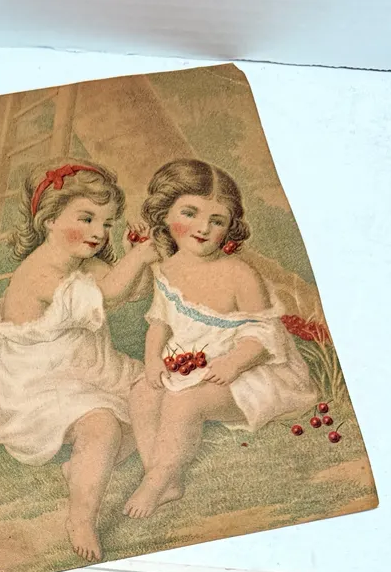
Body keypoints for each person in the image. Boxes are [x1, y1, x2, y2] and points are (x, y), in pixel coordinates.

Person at [0, 161, 159, 562]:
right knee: (104, 426)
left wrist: (135, 257)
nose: (98, 232)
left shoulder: (84, 264)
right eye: (87, 219)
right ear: (50, 219)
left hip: (86, 367)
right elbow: (109, 293)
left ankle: (82, 468)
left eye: (107, 223)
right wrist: (141, 256)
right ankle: (81, 517)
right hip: (39, 384)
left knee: (154, 397)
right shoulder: (38, 274)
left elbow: (130, 292)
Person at [124, 159, 318, 518]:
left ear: (229, 228)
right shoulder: (167, 268)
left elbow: (264, 336)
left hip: (250, 370)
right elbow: (159, 323)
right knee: (142, 393)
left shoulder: (239, 274)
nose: (203, 228)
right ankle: (164, 476)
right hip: (189, 364)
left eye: (217, 221)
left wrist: (233, 363)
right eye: (190, 213)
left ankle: (155, 482)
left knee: (184, 404)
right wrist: (152, 361)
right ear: (165, 215)